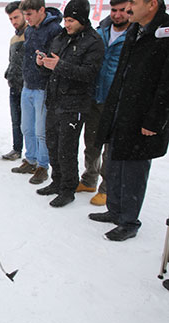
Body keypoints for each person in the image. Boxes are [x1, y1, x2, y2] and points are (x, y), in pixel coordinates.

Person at [90, 0, 169, 241]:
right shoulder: (135, 29)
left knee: (133, 169)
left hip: (143, 116)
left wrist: (154, 120)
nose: (128, 9)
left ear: (152, 4)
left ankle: (128, 221)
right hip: (120, 110)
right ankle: (114, 210)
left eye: (134, 3)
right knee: (114, 161)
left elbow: (167, 83)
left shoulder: (165, 34)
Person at [34, 0, 104, 207]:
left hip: (75, 104)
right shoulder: (61, 37)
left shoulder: (93, 41)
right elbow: (51, 68)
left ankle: (68, 188)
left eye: (71, 20)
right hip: (55, 100)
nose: (67, 24)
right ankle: (56, 181)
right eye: (65, 19)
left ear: (82, 20)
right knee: (53, 144)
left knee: (67, 148)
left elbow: (89, 74)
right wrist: (43, 64)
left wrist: (60, 65)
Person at [76, 0, 130, 206]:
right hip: (95, 96)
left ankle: (107, 188)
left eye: (122, 11)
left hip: (116, 100)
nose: (117, 15)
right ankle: (89, 178)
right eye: (114, 10)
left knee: (110, 147)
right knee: (91, 143)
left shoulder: (135, 34)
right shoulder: (101, 31)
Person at [11, 0, 62, 184]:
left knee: (41, 131)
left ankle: (42, 165)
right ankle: (30, 159)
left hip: (43, 87)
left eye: (30, 14)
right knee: (27, 127)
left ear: (42, 10)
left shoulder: (54, 29)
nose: (27, 19)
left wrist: (44, 63)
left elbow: (56, 58)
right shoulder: (30, 30)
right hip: (28, 84)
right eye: (25, 15)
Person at [2, 1, 27, 161]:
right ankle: (17, 148)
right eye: (11, 19)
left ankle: (34, 157)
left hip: (28, 86)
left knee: (29, 124)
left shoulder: (31, 34)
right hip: (14, 84)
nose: (14, 21)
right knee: (16, 120)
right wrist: (8, 73)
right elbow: (12, 60)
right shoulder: (14, 38)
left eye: (16, 17)